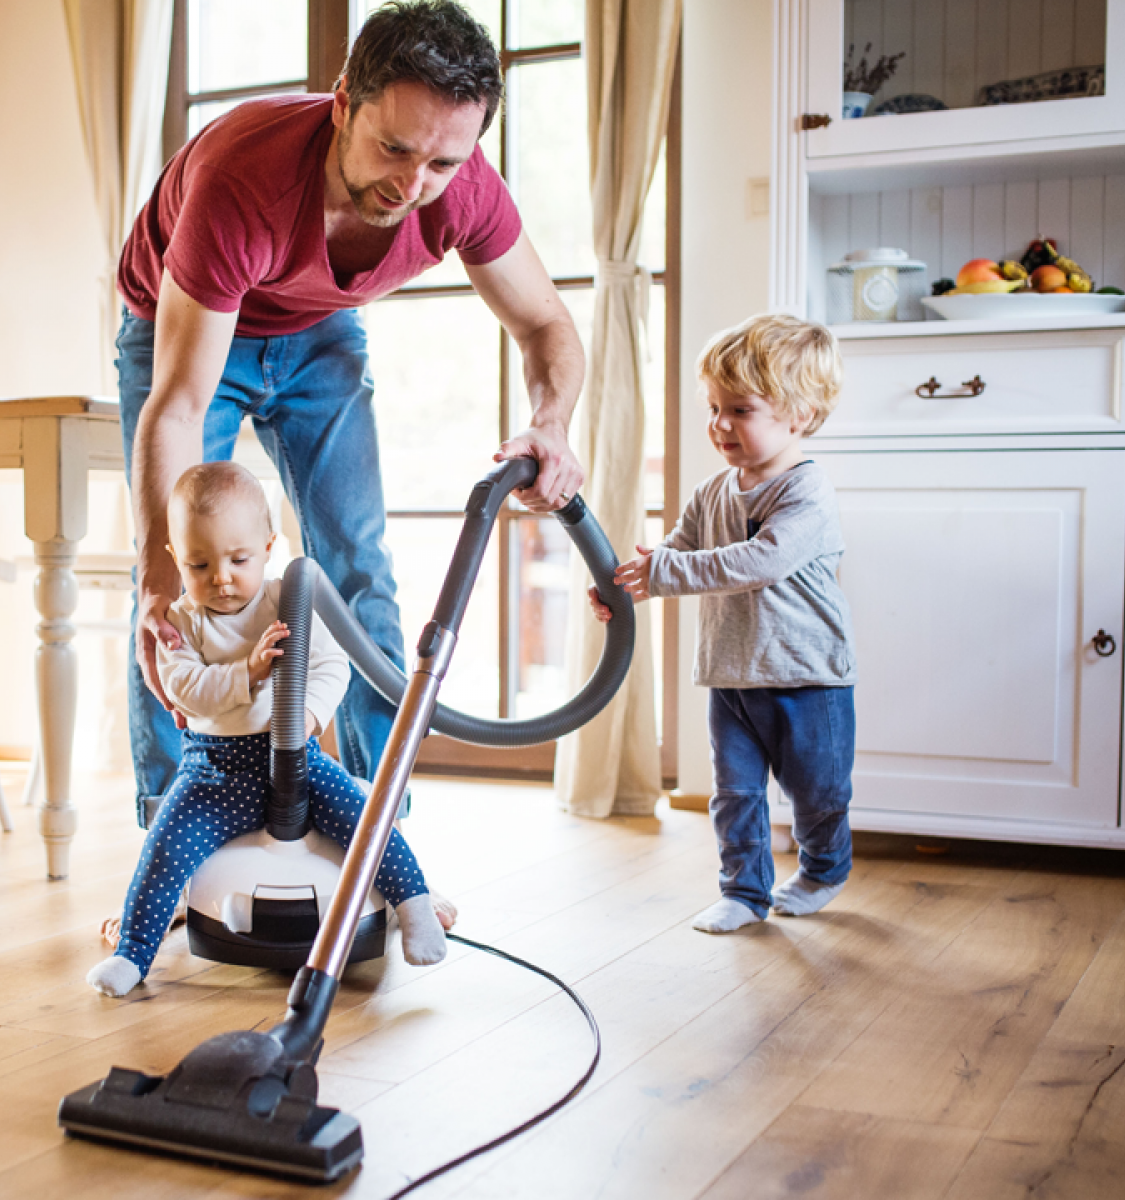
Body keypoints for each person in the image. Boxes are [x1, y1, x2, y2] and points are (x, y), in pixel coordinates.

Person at [117, 0, 585, 821]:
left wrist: (552, 425)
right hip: (185, 331)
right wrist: (158, 575)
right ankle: (172, 831)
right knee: (175, 583)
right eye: (393, 149)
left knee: (358, 567)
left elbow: (546, 324)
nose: (412, 186)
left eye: (442, 164)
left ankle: (377, 831)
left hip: (317, 329)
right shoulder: (243, 178)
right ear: (342, 104)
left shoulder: (462, 187)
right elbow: (180, 403)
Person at [88, 463, 449, 997]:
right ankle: (134, 954)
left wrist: (305, 717)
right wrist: (246, 673)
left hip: (295, 761)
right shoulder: (180, 621)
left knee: (365, 818)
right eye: (199, 563)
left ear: (268, 545)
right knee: (164, 846)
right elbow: (183, 686)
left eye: (239, 559)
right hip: (212, 770)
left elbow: (332, 666)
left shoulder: (288, 599)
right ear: (174, 559)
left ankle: (415, 907)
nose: (222, 578)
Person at [591, 314, 856, 935]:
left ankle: (823, 870)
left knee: (816, 794)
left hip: (806, 678)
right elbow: (675, 555)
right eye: (714, 407)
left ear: (801, 414)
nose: (719, 424)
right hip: (731, 675)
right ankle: (743, 891)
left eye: (739, 410)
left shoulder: (807, 492)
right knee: (734, 794)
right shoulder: (712, 491)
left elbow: (761, 561)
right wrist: (626, 586)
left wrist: (665, 573)